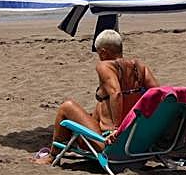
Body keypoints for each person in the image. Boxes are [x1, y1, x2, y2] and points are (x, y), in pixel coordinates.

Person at [32, 30, 159, 165]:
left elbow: (116, 93)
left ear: (103, 52)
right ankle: (70, 146)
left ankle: (52, 156)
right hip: (136, 141)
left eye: (98, 53)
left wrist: (116, 129)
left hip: (111, 142)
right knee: (95, 110)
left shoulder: (105, 66)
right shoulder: (139, 67)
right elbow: (158, 94)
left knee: (66, 107)